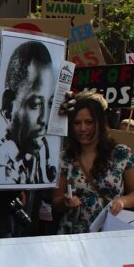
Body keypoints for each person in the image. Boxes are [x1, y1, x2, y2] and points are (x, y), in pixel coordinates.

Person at [52, 91, 134, 234]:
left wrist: (122, 201)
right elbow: (56, 201)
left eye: (89, 122)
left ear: (100, 123)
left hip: (110, 233)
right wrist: (65, 202)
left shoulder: (122, 154)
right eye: (77, 123)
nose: (82, 128)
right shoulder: (65, 158)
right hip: (72, 235)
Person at [0, 41, 57, 184]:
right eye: (35, 104)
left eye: (50, 104)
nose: (44, 119)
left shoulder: (36, 160)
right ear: (8, 107)